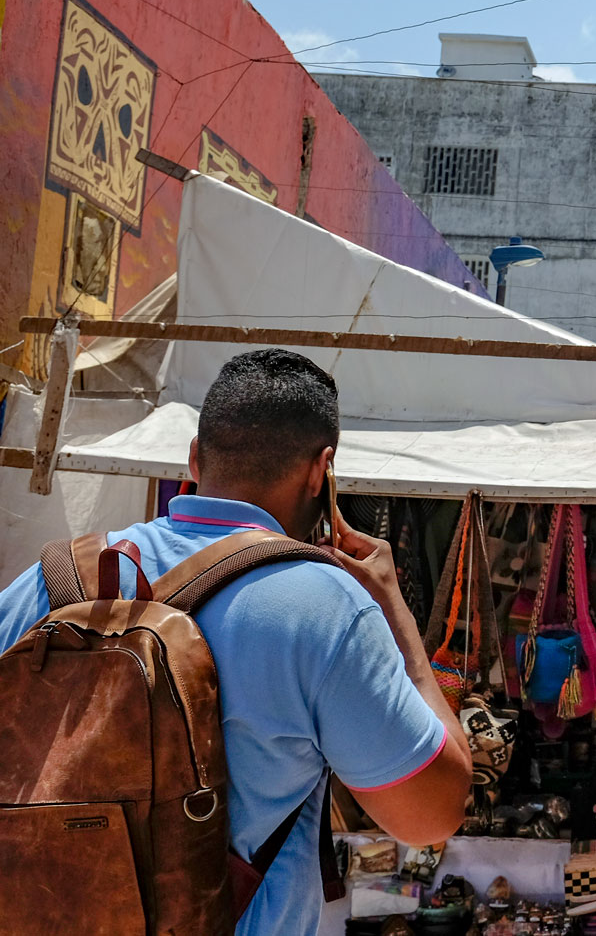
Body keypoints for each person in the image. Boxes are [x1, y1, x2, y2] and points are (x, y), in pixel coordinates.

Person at [0, 349, 473, 935]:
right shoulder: (326, 606)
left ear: (194, 457)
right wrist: (393, 607)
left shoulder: (55, 580)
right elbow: (432, 813)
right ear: (321, 471)